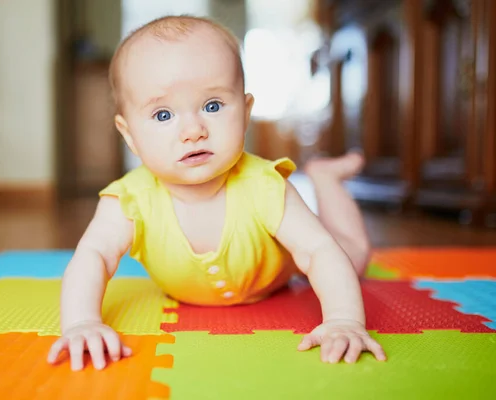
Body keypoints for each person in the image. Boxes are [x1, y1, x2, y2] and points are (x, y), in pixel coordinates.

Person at [47, 15, 386, 371]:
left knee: (353, 258)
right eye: (163, 114)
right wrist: (81, 322)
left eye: (212, 106)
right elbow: (93, 257)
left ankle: (327, 179)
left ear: (245, 111)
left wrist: (344, 320)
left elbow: (318, 251)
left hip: (281, 273)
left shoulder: (265, 186)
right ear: (129, 134)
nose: (193, 130)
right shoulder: (129, 200)